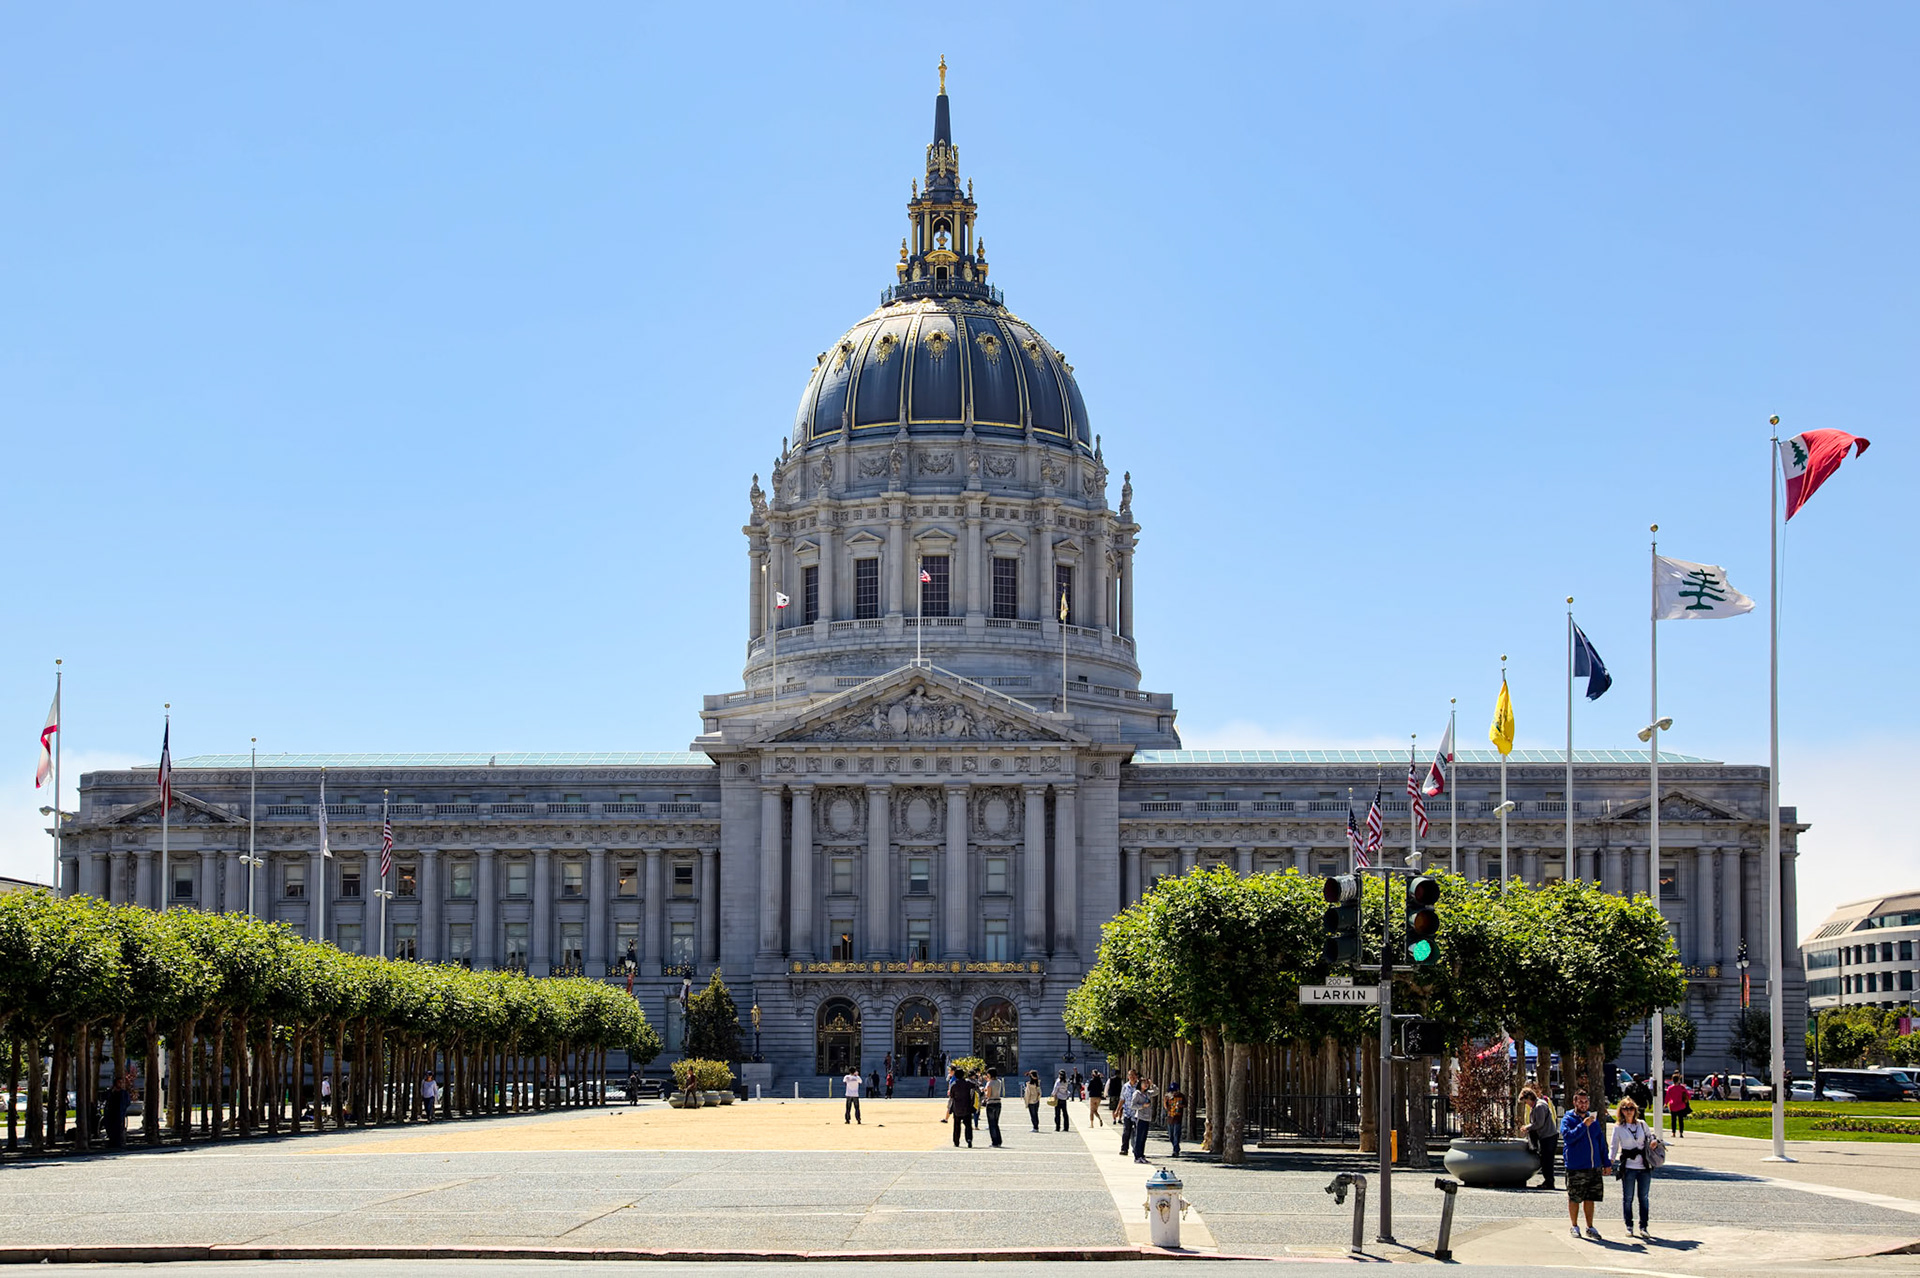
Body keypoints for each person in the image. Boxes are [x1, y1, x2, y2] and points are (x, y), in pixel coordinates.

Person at [1558, 1088, 1612, 1239]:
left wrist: (1606, 1163)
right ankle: (1574, 1225)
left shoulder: (1593, 1120)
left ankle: (1590, 1226)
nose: (1583, 1104)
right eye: (1580, 1102)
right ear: (1574, 1102)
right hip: (1576, 1166)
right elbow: (1568, 1137)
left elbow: (1600, 1142)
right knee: (1574, 1197)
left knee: (1590, 1197)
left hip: (1593, 1166)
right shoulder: (1568, 1119)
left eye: (1586, 1102)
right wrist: (1583, 1125)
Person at [1610, 1097, 1658, 1238]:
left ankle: (1643, 1226)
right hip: (1628, 1166)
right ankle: (1629, 1225)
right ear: (1621, 1111)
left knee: (1643, 1197)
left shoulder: (1642, 1124)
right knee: (1628, 1198)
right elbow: (1613, 1146)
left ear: (1635, 1110)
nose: (1628, 1111)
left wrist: (1653, 1141)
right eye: (1625, 1108)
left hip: (1643, 1166)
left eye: (1631, 1108)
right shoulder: (1618, 1128)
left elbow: (1650, 1136)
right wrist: (1610, 1162)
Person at [1521, 1087, 1558, 1191]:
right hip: (1547, 1136)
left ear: (1529, 1098)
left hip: (1548, 1137)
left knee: (1547, 1161)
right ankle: (1548, 1181)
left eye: (1526, 1101)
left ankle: (1549, 1182)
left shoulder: (1539, 1106)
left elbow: (1539, 1124)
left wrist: (1527, 1127)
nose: (1526, 1104)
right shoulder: (1539, 1104)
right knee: (1546, 1160)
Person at [1128, 1075, 1158, 1162]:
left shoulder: (1147, 1093)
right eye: (1144, 1083)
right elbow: (1132, 1105)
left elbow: (1156, 1092)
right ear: (1140, 1084)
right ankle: (1137, 1156)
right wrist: (1142, 1106)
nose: (1146, 1085)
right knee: (1139, 1137)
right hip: (1140, 1118)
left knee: (1143, 1138)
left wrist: (1152, 1084)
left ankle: (1142, 1155)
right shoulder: (1137, 1093)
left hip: (1147, 1118)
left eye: (1147, 1083)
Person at [947, 1066, 976, 1147]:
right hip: (967, 1106)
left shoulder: (954, 1084)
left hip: (957, 1107)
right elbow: (975, 1087)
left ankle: (956, 1141)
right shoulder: (968, 1083)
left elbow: (951, 1096)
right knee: (968, 1125)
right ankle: (969, 1139)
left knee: (957, 1125)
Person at [105, 1070, 131, 1148]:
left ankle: (118, 1143)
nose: (120, 1084)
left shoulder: (124, 1093)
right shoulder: (111, 1092)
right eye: (119, 1082)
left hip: (119, 1113)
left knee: (118, 1129)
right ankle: (111, 1141)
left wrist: (123, 1108)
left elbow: (127, 1102)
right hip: (110, 1113)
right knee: (110, 1128)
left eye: (121, 1083)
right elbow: (106, 1099)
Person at [1118, 1069, 1140, 1154]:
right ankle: (1124, 1149)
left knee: (1136, 1132)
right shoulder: (1125, 1086)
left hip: (1137, 1113)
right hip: (1127, 1113)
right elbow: (1122, 1099)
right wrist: (1117, 1110)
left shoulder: (1139, 1086)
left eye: (1133, 1075)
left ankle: (1136, 1149)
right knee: (1126, 1131)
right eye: (1130, 1075)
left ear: (1136, 1076)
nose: (1132, 1077)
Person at [1163, 1081, 1186, 1157]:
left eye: (1175, 1091)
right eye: (1172, 1091)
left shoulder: (1181, 1096)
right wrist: (1165, 1101)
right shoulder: (1168, 1096)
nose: (1173, 1093)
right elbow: (1166, 1107)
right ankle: (1176, 1147)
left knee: (1176, 1134)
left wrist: (1180, 1105)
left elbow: (1185, 1104)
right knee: (1171, 1136)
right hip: (1170, 1118)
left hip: (1177, 1118)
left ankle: (1175, 1150)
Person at [982, 1068, 1004, 1147]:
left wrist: (984, 1091)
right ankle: (999, 1140)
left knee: (991, 1123)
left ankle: (994, 1141)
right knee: (996, 1123)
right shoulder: (999, 1082)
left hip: (991, 1103)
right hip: (998, 1102)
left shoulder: (989, 1083)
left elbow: (988, 1095)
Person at [1663, 1073, 1690, 1139]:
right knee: (1681, 1120)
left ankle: (1673, 1133)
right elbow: (1688, 1095)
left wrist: (1665, 1104)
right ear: (1678, 1080)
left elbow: (1667, 1097)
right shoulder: (1682, 1087)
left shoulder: (1670, 1088)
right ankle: (1681, 1133)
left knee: (1673, 1120)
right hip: (1681, 1105)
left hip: (1673, 1106)